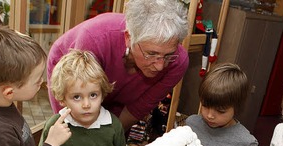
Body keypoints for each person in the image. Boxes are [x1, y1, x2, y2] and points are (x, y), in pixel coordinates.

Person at [47, 0, 190, 131]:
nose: (160, 66)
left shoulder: (178, 62)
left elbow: (136, 109)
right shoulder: (95, 39)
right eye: (151, 53)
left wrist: (109, 139)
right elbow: (79, 100)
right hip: (73, 77)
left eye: (168, 55)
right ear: (129, 38)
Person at [40, 49, 127, 146]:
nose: (86, 104)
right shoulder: (56, 126)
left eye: (93, 95)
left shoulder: (113, 125)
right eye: (77, 97)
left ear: (102, 93)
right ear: (62, 99)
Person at [186, 63, 264, 146]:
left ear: (237, 108)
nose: (210, 115)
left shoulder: (245, 140)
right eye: (205, 106)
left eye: (220, 111)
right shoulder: (191, 123)